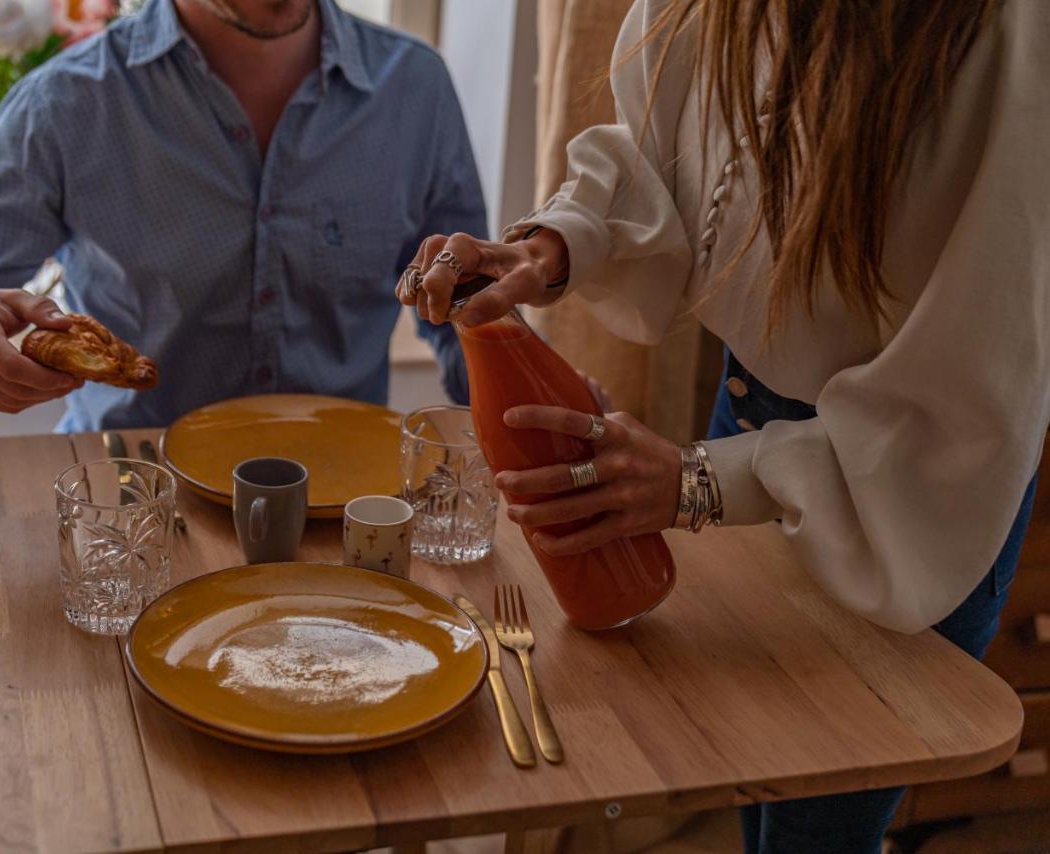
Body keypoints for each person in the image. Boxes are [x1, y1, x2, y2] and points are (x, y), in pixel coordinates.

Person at [401, 1, 1047, 851]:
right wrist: (555, 244)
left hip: (908, 493)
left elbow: (969, 384)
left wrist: (697, 481)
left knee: (816, 835)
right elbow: (683, 151)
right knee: (756, 783)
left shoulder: (1009, 34)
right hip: (747, 423)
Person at [0, 0, 484, 435]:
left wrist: (540, 404)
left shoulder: (416, 88)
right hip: (130, 521)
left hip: (348, 520)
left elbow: (470, 322)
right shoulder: (68, 103)